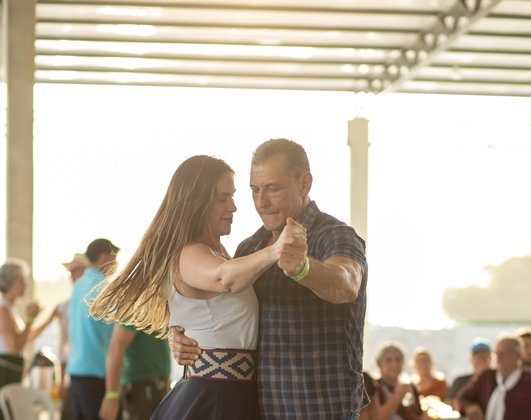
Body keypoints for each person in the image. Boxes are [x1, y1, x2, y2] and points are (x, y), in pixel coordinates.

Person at [90, 155, 305, 420]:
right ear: (196, 202)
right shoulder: (188, 253)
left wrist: (177, 335)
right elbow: (223, 279)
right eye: (222, 198)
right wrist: (276, 249)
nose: (234, 207)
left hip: (230, 396)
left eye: (232, 196)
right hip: (212, 398)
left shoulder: (219, 253)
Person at [171, 139, 367, 419]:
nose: (261, 202)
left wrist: (303, 268)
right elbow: (225, 313)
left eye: (273, 189)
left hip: (322, 409)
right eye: (255, 190)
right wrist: (185, 337)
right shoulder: (249, 248)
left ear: (304, 184)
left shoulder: (335, 235)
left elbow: (346, 284)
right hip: (258, 410)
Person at [67, 239, 119, 420]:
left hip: (76, 371)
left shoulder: (78, 285)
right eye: (114, 259)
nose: (117, 265)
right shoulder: (104, 286)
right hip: (96, 372)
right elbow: (119, 329)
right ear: (104, 257)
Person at [0, 259, 56, 389]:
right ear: (11, 282)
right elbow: (14, 348)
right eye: (22, 280)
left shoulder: (10, 309)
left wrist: (49, 320)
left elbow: (27, 338)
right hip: (5, 372)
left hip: (13, 370)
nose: (26, 284)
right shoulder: (3, 310)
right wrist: (29, 320)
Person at [98, 323, 171, 420]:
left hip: (157, 388)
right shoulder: (135, 312)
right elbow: (116, 346)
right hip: (141, 388)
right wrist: (112, 394)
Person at [458, 337, 531, 420]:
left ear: (518, 355)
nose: (498, 357)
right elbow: (461, 399)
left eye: (504, 354)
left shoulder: (529, 381)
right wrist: (469, 407)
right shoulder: (486, 377)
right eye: (496, 353)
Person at [57, 253, 90, 420]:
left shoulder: (101, 303)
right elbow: (63, 344)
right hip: (74, 377)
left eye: (76, 270)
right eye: (70, 272)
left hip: (95, 377)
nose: (72, 276)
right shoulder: (64, 307)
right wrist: (62, 380)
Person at [375, 343, 424, 420]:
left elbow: (419, 415)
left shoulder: (410, 387)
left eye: (398, 359)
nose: (394, 364)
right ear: (380, 364)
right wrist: (397, 397)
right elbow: (375, 417)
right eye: (388, 361)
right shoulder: (374, 388)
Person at [445, 339, 491, 407]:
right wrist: (467, 406)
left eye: (484, 356)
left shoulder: (497, 382)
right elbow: (448, 402)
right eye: (478, 356)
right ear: (471, 359)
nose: (481, 359)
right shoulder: (460, 381)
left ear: (491, 359)